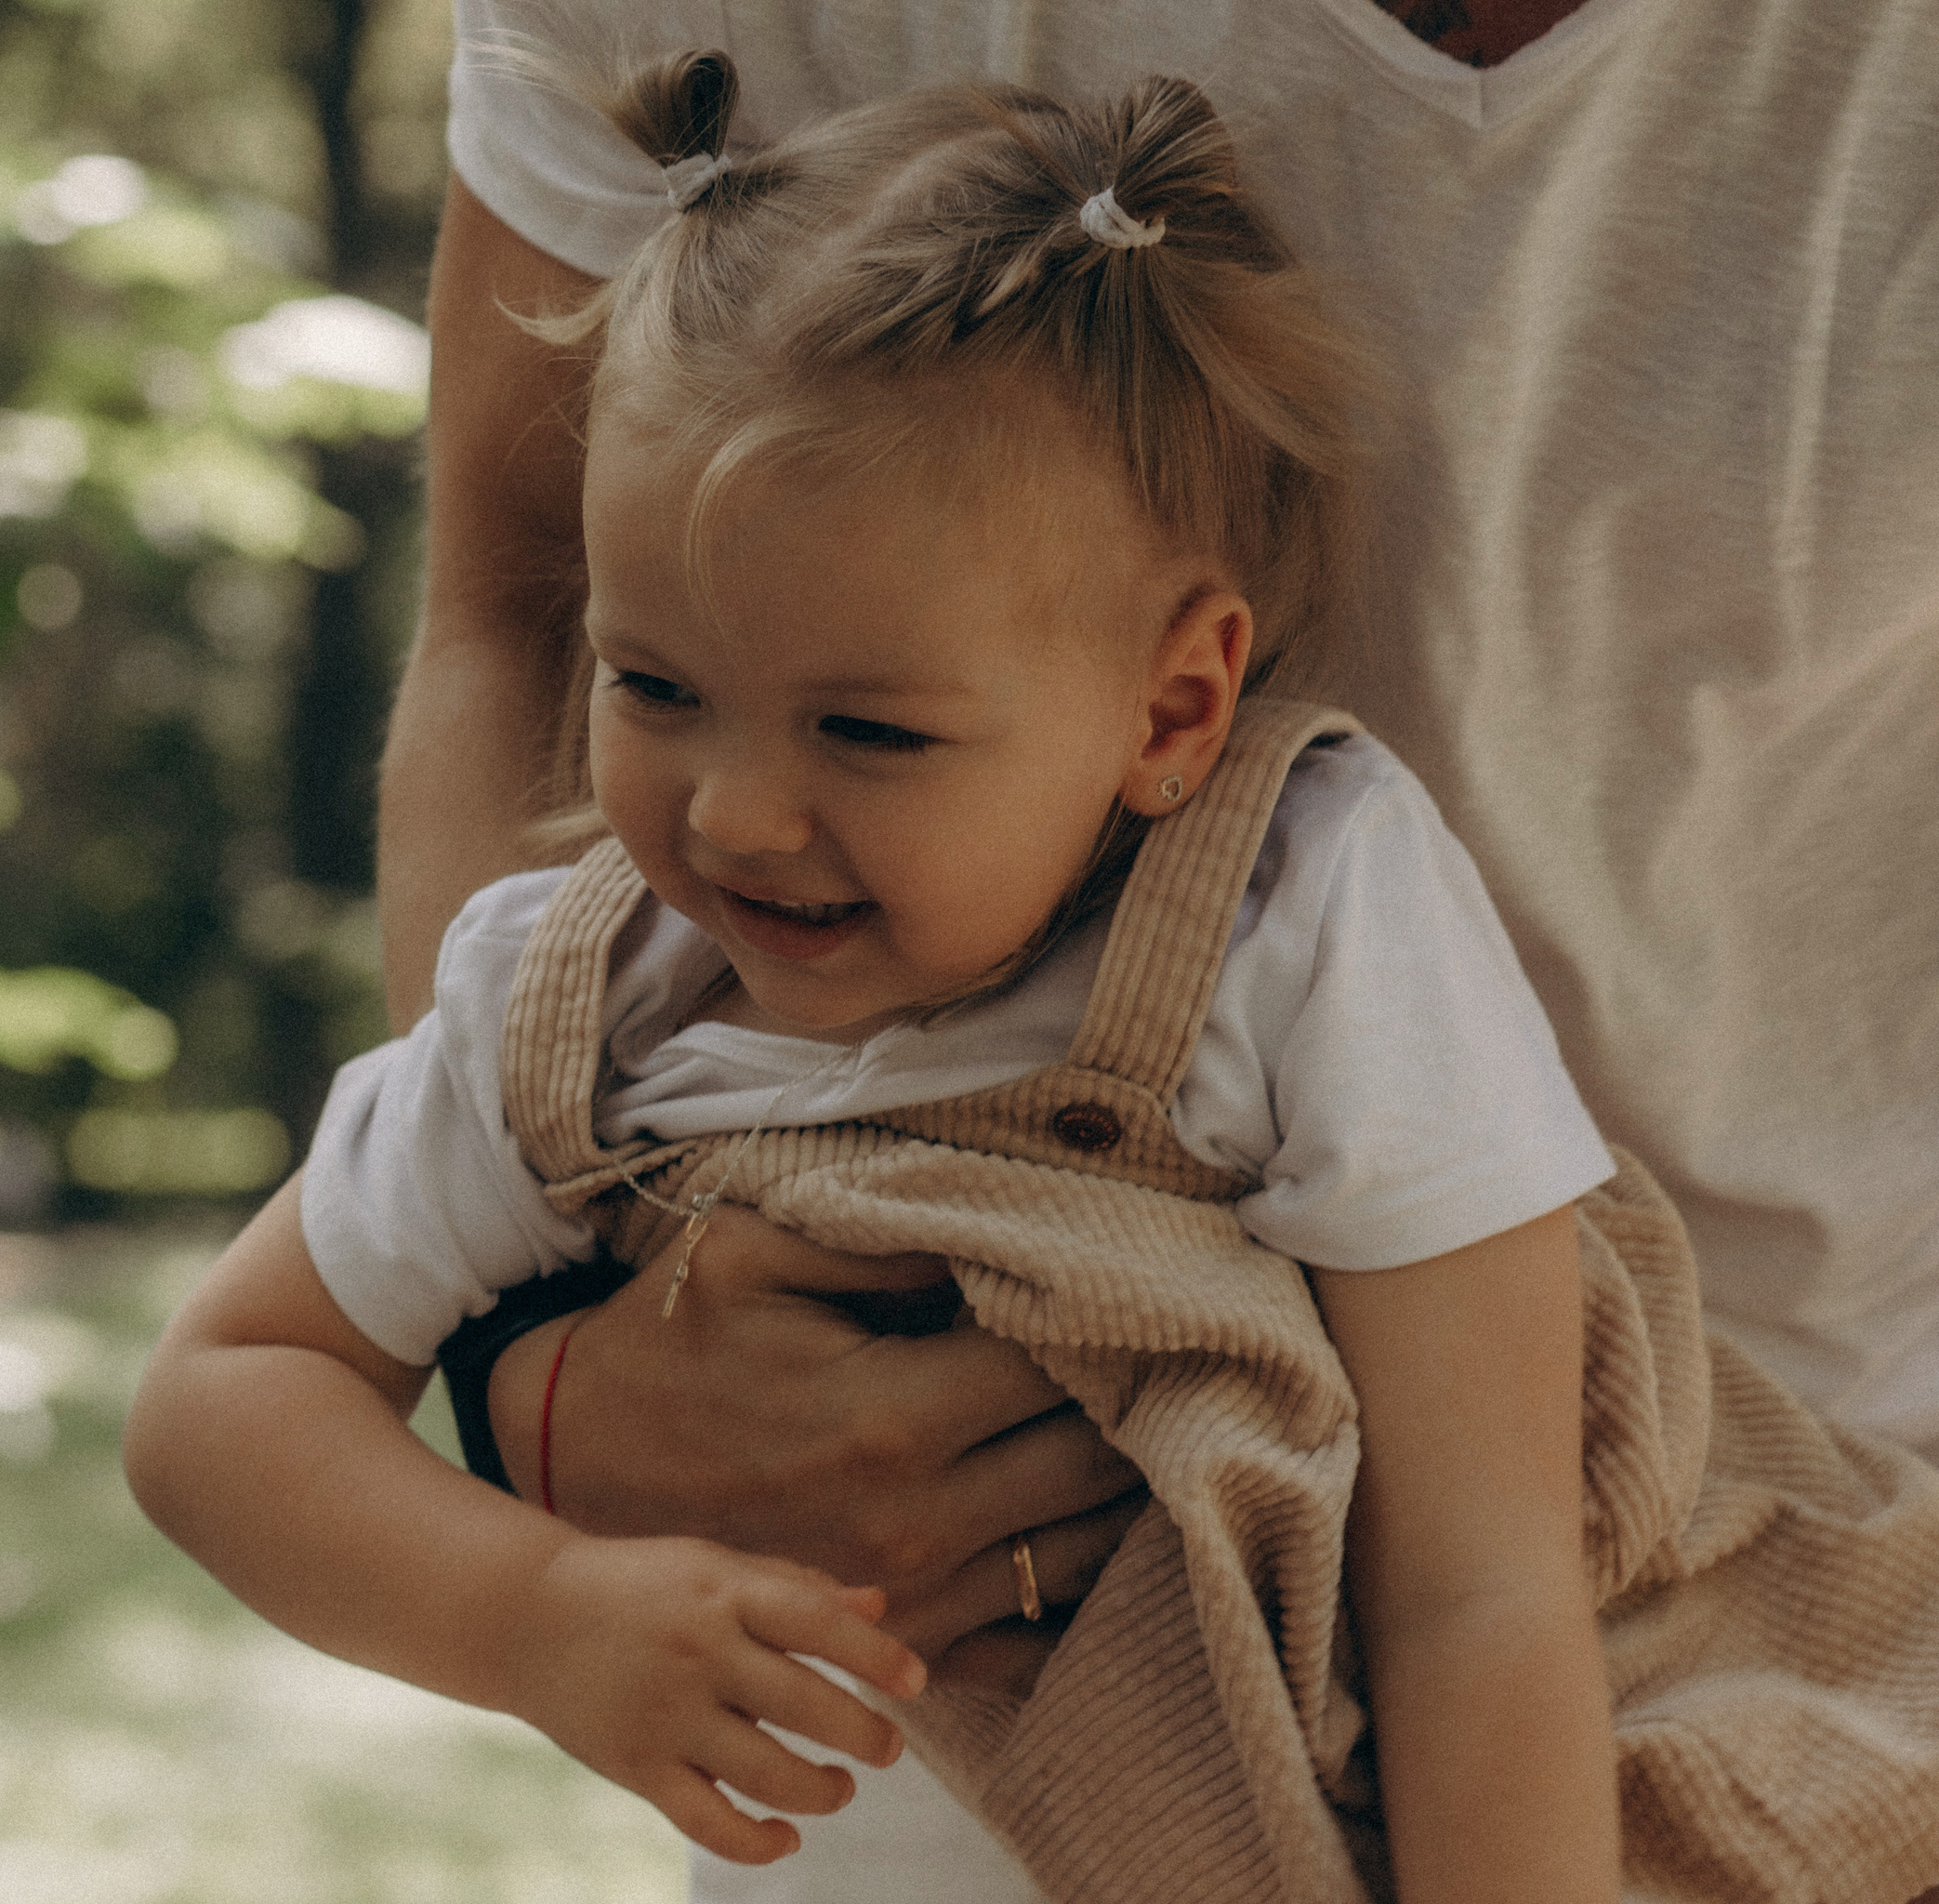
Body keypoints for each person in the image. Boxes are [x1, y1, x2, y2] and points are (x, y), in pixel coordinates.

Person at [125, 61, 1939, 1904]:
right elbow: (226, 1391)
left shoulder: (1296, 918)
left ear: (1171, 708)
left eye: (867, 728)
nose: (737, 813)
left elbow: (1478, 1584)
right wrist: (527, 1611)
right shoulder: (581, 1006)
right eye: (651, 686)